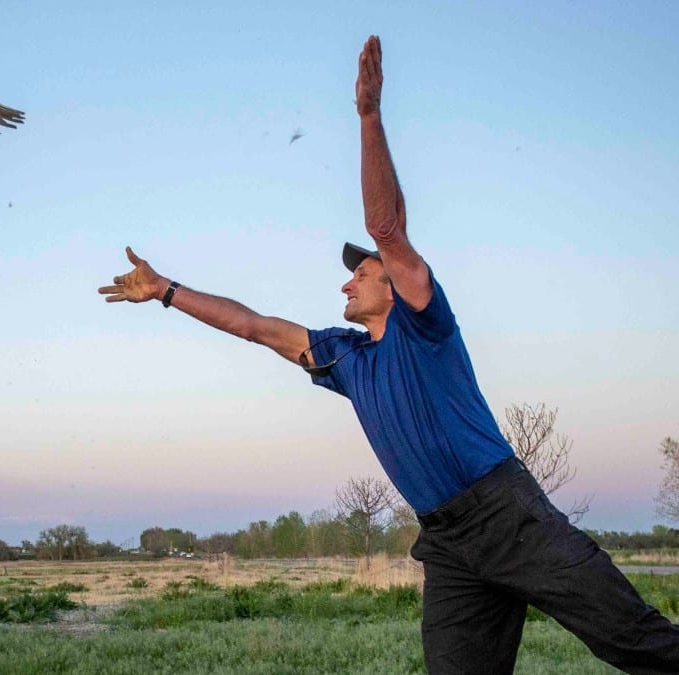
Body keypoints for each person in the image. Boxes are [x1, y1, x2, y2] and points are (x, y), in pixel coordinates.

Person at [98, 35, 679, 675]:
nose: (347, 282)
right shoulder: (345, 359)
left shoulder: (425, 325)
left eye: (361, 274)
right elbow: (256, 327)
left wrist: (369, 120)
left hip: (510, 518)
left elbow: (388, 230)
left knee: (640, 644)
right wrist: (166, 291)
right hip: (450, 544)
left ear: (393, 286)